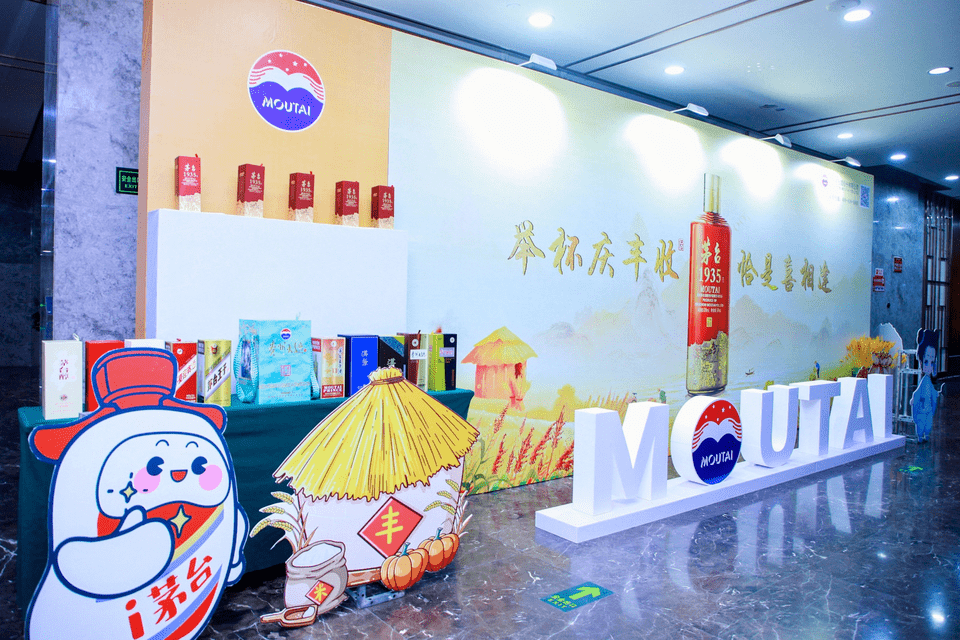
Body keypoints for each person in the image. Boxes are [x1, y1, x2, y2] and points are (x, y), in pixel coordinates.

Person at [911, 329, 939, 443]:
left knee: (927, 424)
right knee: (921, 423)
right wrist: (914, 401)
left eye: (932, 362)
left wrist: (935, 394)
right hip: (922, 409)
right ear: (921, 360)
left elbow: (932, 392)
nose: (929, 366)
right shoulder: (923, 382)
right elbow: (916, 394)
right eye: (926, 361)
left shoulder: (928, 381)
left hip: (928, 410)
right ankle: (920, 436)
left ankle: (926, 435)